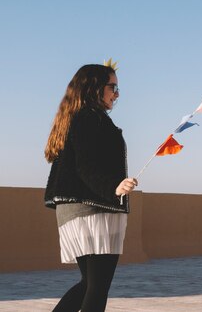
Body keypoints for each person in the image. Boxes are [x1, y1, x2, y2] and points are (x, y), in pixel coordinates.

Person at [44, 63, 138, 312]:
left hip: (79, 207)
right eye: (112, 87)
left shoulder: (81, 117)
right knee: (97, 287)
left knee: (89, 284)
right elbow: (86, 166)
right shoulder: (88, 117)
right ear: (94, 87)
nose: (116, 94)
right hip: (92, 208)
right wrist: (113, 188)